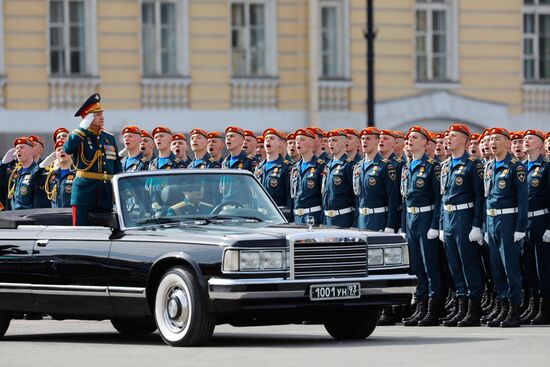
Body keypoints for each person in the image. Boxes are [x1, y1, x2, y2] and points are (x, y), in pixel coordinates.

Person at [439, 124, 485, 327]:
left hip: (465, 215)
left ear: (465, 142)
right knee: (454, 264)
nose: (448, 139)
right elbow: (443, 196)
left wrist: (477, 224)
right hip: (449, 217)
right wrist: (441, 224)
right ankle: (461, 306)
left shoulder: (472, 165)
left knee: (468, 263)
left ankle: (473, 309)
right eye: (448, 136)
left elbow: (479, 197)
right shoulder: (446, 165)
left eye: (454, 136)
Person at [484, 127, 528, 328]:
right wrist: (485, 226)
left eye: (497, 139)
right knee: (497, 268)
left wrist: (520, 226)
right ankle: (502, 307)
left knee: (510, 267)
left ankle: (513, 310)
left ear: (507, 143)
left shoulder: (515, 167)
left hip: (509, 220)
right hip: (492, 221)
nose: (492, 143)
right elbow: (487, 198)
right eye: (491, 139)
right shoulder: (490, 166)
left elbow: (523, 199)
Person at [401, 126, 442, 327]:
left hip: (426, 217)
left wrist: (435, 225)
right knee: (416, 266)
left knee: (430, 266)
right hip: (411, 219)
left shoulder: (433, 167)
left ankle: (433, 310)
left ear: (425, 143)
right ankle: (420, 306)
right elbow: (405, 200)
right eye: (408, 137)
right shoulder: (406, 167)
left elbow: (439, 199)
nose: (409, 140)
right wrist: (402, 227)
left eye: (415, 137)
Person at [63, 93, 122, 225]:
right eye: (97, 114)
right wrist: (82, 128)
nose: (102, 117)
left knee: (104, 233)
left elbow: (117, 167)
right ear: (87, 118)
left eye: (101, 113)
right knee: (80, 232)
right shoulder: (77, 136)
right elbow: (68, 148)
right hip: (84, 194)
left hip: (105, 195)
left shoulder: (109, 137)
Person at [520, 129, 550, 325]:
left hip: (541, 220)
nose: (526, 141)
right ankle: (533, 304)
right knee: (528, 266)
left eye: (531, 139)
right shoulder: (520, 168)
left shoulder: (546, 168)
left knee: (543, 267)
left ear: (540, 145)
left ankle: (545, 307)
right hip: (524, 223)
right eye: (525, 139)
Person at [354, 127, 399, 232]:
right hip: (361, 220)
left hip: (378, 219)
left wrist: (390, 225)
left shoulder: (385, 166)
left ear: (377, 141)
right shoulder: (358, 167)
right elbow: (357, 198)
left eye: (368, 139)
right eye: (363, 139)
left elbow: (393, 198)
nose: (364, 141)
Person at [290, 128, 325, 225]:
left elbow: (324, 197)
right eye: (296, 140)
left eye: (302, 140)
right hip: (297, 217)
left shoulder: (320, 166)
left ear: (311, 143)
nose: (298, 143)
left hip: (313, 216)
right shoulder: (295, 167)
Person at [321, 129, 355, 228]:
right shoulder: (327, 165)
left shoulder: (349, 165)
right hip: (327, 219)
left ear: (345, 143)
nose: (330, 143)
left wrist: (354, 222)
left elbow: (355, 197)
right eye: (329, 141)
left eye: (334, 140)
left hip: (343, 218)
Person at [30, 140, 75, 208]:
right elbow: (32, 181)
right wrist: (41, 165)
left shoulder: (76, 174)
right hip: (54, 215)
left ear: (71, 153)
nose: (61, 151)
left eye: (64, 149)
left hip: (70, 214)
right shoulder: (50, 175)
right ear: (55, 155)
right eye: (58, 150)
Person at [254, 128, 291, 208]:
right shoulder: (258, 167)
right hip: (260, 211)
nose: (268, 140)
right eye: (266, 139)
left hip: (278, 212)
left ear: (280, 143)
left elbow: (289, 197)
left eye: (272, 138)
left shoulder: (286, 167)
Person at [2, 137, 37, 210]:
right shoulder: (13, 172)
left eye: (22, 147)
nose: (18, 150)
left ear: (31, 151)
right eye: (16, 148)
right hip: (12, 216)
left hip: (29, 217)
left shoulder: (37, 172)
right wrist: (3, 164)